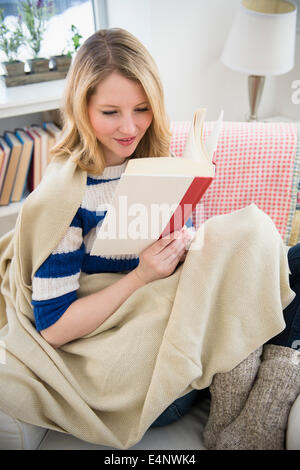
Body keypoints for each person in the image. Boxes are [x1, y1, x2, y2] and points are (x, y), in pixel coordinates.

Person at [28, 28, 300, 449]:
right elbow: (54, 329)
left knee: (290, 258)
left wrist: (182, 244)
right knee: (252, 235)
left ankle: (256, 416)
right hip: (144, 379)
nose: (130, 127)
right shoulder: (65, 195)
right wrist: (141, 276)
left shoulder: (154, 161)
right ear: (81, 108)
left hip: (176, 323)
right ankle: (247, 418)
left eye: (141, 109)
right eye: (110, 112)